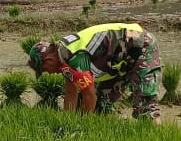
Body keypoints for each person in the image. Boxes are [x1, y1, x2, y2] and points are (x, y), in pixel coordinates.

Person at [28, 22, 162, 122]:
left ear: (49, 60)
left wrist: (83, 125)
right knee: (100, 106)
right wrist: (67, 122)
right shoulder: (63, 57)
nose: (49, 73)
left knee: (145, 107)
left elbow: (89, 95)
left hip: (141, 47)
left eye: (45, 70)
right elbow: (70, 92)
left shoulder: (74, 56)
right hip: (118, 61)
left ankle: (157, 137)